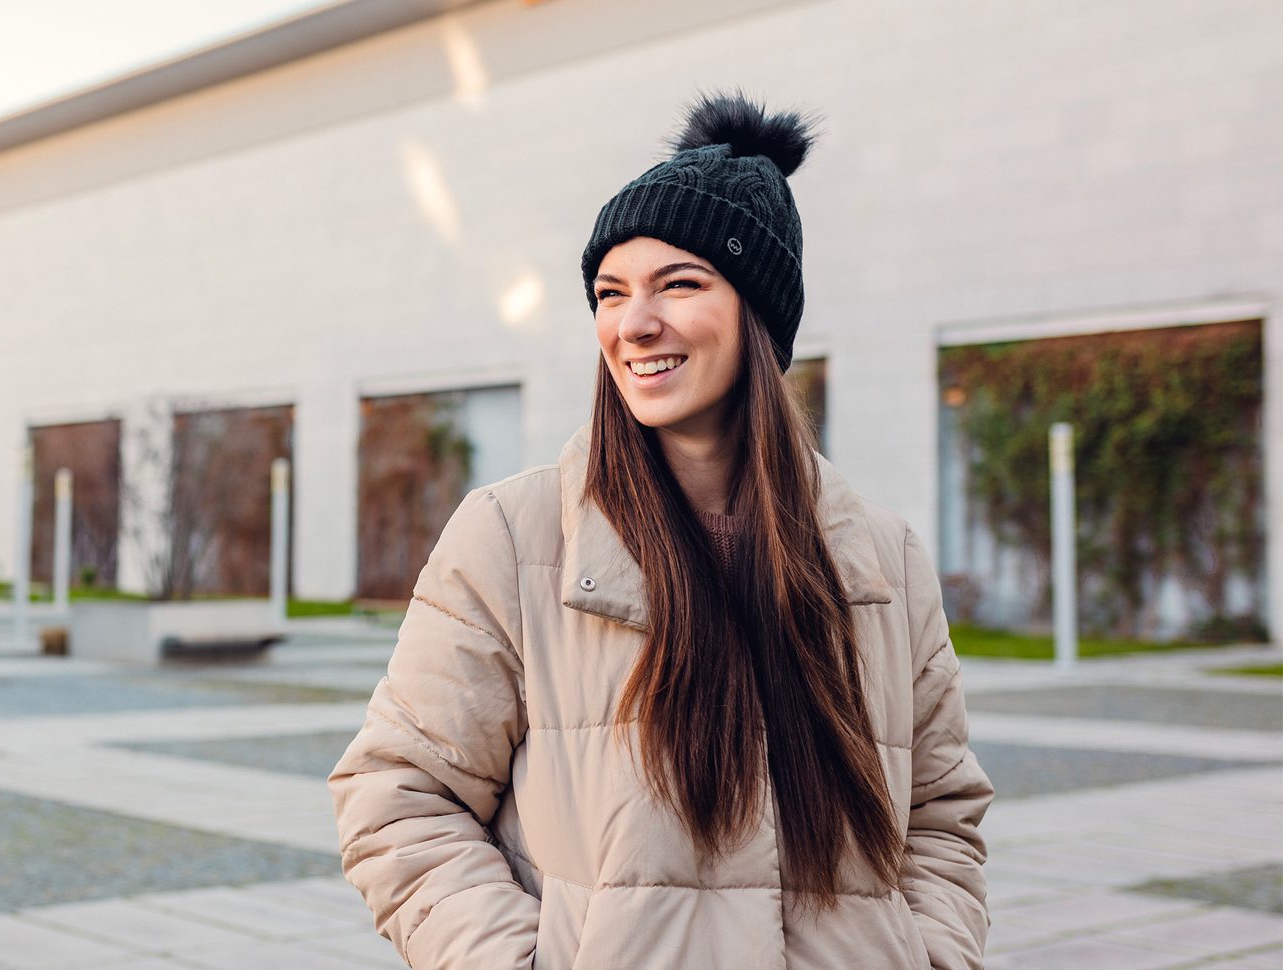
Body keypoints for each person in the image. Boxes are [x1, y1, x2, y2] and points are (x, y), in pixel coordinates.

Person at [329, 90, 992, 970]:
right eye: (611, 292)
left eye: (679, 283)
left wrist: (930, 956)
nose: (634, 324)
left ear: (758, 315)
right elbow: (398, 794)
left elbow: (942, 819)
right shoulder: (513, 537)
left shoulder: (882, 561)